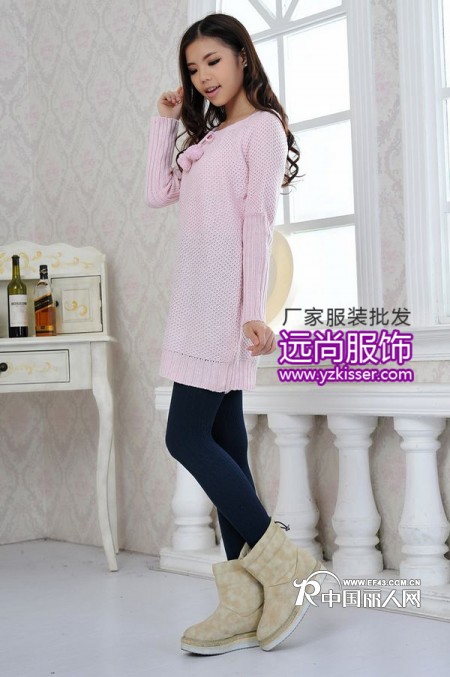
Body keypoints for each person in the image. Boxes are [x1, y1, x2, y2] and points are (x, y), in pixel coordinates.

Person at [145, 12, 325, 656]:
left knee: (184, 435)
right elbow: (157, 193)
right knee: (226, 445)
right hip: (193, 300)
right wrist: (166, 120)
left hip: (226, 306)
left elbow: (258, 221)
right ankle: (243, 601)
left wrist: (254, 311)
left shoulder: (264, 130)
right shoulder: (211, 136)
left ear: (243, 58)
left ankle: (285, 565)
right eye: (193, 68)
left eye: (213, 61)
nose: (203, 76)